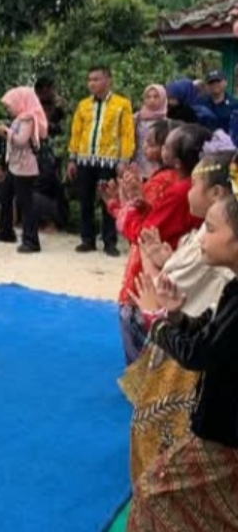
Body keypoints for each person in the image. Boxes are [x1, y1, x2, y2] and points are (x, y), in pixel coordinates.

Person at [123, 178, 238, 532]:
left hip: (222, 432)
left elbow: (202, 352)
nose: (203, 235)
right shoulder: (233, 288)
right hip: (219, 421)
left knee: (151, 492)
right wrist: (173, 315)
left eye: (212, 229)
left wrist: (156, 319)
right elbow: (211, 331)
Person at [104, 122, 208, 365]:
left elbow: (145, 233)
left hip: (155, 277)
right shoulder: (184, 186)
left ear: (176, 160)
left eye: (164, 145)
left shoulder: (180, 189)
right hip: (173, 270)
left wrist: (121, 207)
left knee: (145, 354)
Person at [67, 65, 135, 257]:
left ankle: (109, 241)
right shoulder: (83, 105)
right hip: (84, 159)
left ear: (108, 80)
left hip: (109, 161)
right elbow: (76, 132)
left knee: (108, 201)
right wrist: (72, 158)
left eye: (96, 79)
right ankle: (87, 240)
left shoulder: (122, 104)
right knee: (85, 200)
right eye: (90, 80)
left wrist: (124, 160)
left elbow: (127, 133)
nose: (92, 83)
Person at [0, 86, 48, 253]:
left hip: (25, 167)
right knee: (5, 195)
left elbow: (21, 140)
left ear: (20, 102)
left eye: (10, 105)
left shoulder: (28, 119)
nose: (8, 109)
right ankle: (6, 230)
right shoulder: (20, 119)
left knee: (26, 203)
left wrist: (5, 131)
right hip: (15, 165)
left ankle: (31, 241)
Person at [133, 85, 169, 178]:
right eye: (148, 97)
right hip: (137, 163)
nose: (152, 100)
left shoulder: (166, 121)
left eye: (156, 97)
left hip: (156, 164)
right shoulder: (137, 118)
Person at [198, 70, 234, 138]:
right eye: (211, 82)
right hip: (204, 141)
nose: (215, 84)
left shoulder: (234, 104)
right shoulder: (199, 103)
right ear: (207, 85)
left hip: (227, 142)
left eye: (218, 81)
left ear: (225, 82)